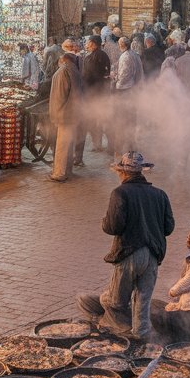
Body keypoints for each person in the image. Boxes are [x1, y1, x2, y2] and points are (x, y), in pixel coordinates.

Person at [77, 152, 175, 340]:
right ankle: (141, 333)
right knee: (143, 299)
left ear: (123, 173)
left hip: (130, 252)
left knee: (116, 300)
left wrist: (103, 221)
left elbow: (113, 227)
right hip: (153, 254)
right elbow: (169, 228)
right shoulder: (160, 194)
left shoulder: (120, 193)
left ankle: (111, 318)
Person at [48, 39, 83, 182]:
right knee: (68, 144)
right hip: (73, 113)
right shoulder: (74, 70)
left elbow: (59, 96)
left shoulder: (62, 72)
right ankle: (68, 170)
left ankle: (59, 172)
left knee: (62, 145)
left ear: (62, 60)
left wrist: (55, 114)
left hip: (65, 114)